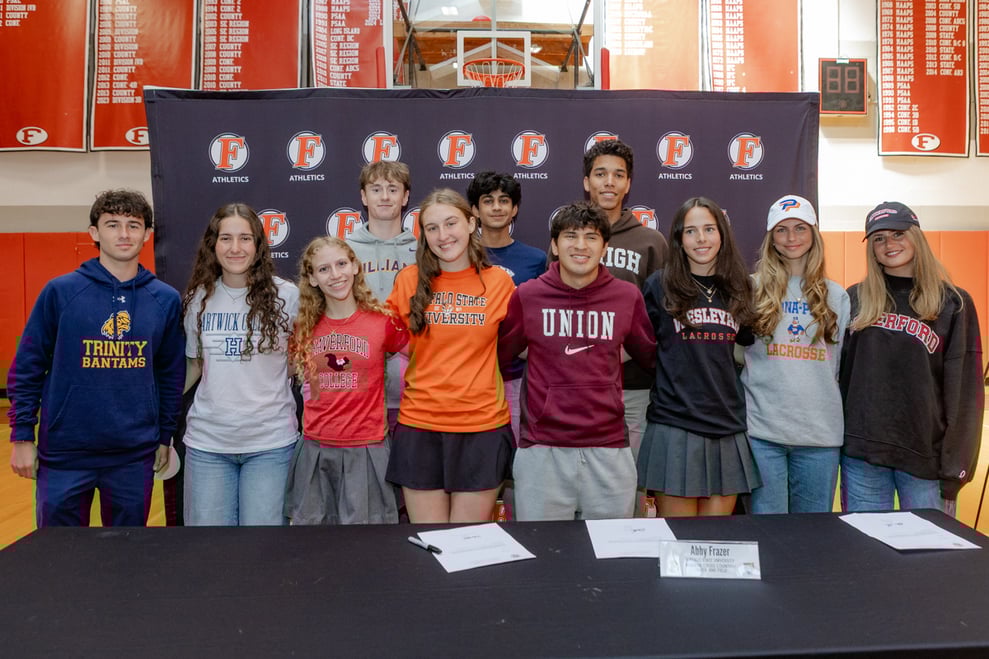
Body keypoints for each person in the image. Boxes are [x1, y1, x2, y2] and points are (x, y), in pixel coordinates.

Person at [7, 189, 184, 526]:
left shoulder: (164, 299)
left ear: (147, 235)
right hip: (65, 452)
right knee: (58, 556)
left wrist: (164, 437)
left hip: (133, 455)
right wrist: (22, 435)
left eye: (133, 225)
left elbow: (170, 375)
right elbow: (28, 366)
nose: (123, 234)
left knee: (124, 558)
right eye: (112, 224)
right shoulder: (60, 292)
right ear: (94, 233)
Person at [499, 202, 655, 520]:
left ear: (605, 247)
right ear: (555, 245)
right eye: (570, 236)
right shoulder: (528, 296)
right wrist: (547, 351)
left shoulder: (627, 297)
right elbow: (504, 352)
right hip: (542, 447)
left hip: (609, 446)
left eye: (591, 237)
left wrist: (603, 351)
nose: (580, 246)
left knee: (612, 557)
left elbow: (647, 355)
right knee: (541, 554)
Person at [840, 201, 983, 515]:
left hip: (925, 458)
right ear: (871, 249)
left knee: (928, 559)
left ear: (916, 237)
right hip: (863, 455)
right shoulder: (855, 299)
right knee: (866, 555)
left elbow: (965, 394)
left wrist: (955, 468)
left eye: (898, 234)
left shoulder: (953, 303)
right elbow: (841, 378)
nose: (889, 244)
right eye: (879, 238)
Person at [385, 188, 515, 523]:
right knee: (431, 544)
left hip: (481, 428)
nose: (443, 236)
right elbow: (386, 339)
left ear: (472, 223)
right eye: (432, 228)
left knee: (468, 544)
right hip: (420, 426)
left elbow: (519, 344)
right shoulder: (408, 280)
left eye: (451, 223)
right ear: (423, 235)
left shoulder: (499, 282)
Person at [637, 196, 761, 517]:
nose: (701, 239)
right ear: (678, 238)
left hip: (727, 424)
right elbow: (643, 350)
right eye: (690, 231)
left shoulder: (740, 287)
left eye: (709, 229)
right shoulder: (659, 285)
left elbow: (744, 348)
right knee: (679, 544)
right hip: (675, 423)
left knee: (717, 546)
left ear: (722, 234)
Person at [181, 203, 300, 526]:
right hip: (209, 445)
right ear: (213, 245)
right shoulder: (198, 299)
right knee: (210, 551)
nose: (236, 248)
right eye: (226, 239)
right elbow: (195, 364)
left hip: (271, 444)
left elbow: (301, 360)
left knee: (262, 553)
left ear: (258, 245)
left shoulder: (287, 297)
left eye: (245, 238)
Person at [285, 237, 408, 524]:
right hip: (316, 447)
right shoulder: (304, 327)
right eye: (324, 269)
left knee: (366, 545)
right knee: (316, 546)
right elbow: (282, 371)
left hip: (367, 447)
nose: (336, 274)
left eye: (341, 264)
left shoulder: (382, 321)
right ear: (313, 279)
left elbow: (423, 358)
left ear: (355, 267)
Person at [741, 195, 850, 513]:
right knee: (767, 534)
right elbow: (736, 354)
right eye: (782, 230)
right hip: (763, 433)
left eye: (800, 228)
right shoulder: (751, 289)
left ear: (814, 233)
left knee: (813, 538)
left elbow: (838, 365)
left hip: (819, 435)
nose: (791, 238)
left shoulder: (836, 295)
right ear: (771, 239)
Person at [567, 139, 668, 464]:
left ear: (628, 184)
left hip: (631, 386)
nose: (609, 182)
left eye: (618, 175)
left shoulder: (650, 242)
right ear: (587, 182)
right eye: (600, 174)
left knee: (625, 487)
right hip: (573, 385)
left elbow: (660, 320)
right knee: (573, 486)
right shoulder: (569, 236)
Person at [467, 171, 546, 439]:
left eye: (504, 200)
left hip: (517, 376)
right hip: (469, 376)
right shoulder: (458, 256)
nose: (497, 207)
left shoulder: (536, 260)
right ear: (475, 210)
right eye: (488, 201)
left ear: (515, 209)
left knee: (516, 457)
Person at [347, 161, 417, 437]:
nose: (385, 196)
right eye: (376, 189)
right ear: (364, 197)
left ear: (405, 196)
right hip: (360, 387)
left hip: (412, 386)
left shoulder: (423, 251)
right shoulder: (345, 250)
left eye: (392, 189)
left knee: (411, 477)